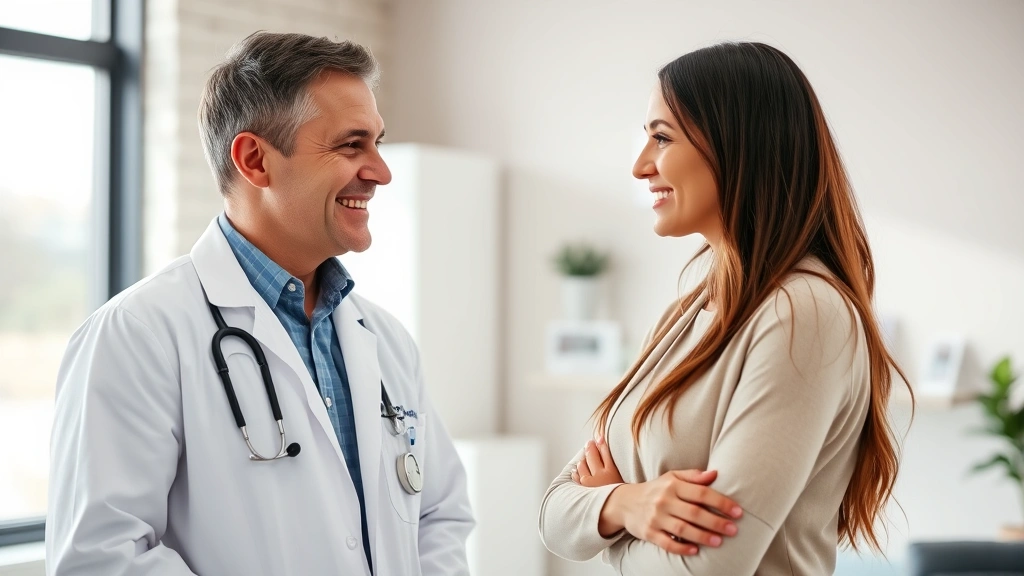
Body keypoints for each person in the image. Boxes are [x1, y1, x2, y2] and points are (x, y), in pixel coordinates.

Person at [46, 32, 473, 576]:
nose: (380, 172)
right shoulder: (136, 334)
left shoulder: (384, 337)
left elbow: (438, 515)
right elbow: (101, 559)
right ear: (255, 160)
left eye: (377, 143)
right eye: (351, 145)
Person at [538, 41, 909, 575]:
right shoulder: (686, 315)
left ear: (738, 146)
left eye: (661, 138)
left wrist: (609, 528)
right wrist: (627, 503)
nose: (641, 166)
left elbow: (711, 566)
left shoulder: (805, 314)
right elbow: (553, 517)